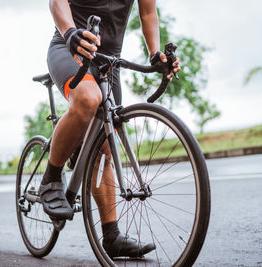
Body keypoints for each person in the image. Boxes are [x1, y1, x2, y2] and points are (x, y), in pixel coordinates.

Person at [39, 0, 181, 258]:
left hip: (108, 62)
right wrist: (70, 31)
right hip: (70, 47)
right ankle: (50, 179)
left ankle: (112, 235)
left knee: (105, 144)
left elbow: (148, 11)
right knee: (88, 98)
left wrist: (155, 53)